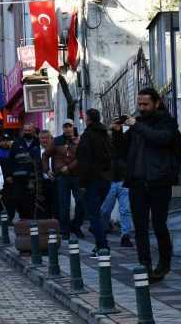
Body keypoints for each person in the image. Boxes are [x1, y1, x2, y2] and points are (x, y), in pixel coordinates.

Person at [112, 88, 181, 282]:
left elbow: (160, 139)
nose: (141, 108)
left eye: (145, 104)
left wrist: (135, 125)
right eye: (139, 104)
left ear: (156, 103)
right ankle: (145, 266)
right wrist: (117, 133)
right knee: (140, 227)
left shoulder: (167, 122)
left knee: (159, 225)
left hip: (159, 181)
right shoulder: (137, 125)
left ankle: (164, 264)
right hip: (137, 183)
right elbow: (121, 151)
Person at [77, 109, 112, 257]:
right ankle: (101, 244)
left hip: (92, 180)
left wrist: (82, 183)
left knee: (93, 214)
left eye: (85, 117)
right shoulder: (105, 134)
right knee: (97, 213)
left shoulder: (87, 136)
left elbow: (84, 160)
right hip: (105, 179)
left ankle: (102, 246)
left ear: (89, 119)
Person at [43, 119, 85, 240]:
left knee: (81, 202)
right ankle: (65, 229)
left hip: (77, 175)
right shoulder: (57, 141)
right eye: (65, 126)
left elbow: (82, 156)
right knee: (63, 204)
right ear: (62, 128)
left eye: (69, 126)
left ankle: (76, 226)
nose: (67, 128)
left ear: (73, 127)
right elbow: (45, 155)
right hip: (62, 177)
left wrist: (69, 167)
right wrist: (47, 170)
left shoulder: (79, 140)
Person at [101, 143, 133, 247]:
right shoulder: (104, 146)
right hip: (109, 181)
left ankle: (125, 236)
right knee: (105, 210)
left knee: (125, 210)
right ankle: (105, 227)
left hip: (124, 181)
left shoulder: (124, 145)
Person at [7, 123, 42, 220]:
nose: (27, 132)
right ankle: (23, 218)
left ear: (34, 131)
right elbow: (10, 160)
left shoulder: (38, 142)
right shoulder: (17, 143)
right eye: (25, 130)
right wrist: (9, 175)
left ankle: (29, 220)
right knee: (18, 199)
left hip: (33, 178)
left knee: (31, 200)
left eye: (29, 130)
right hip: (18, 178)